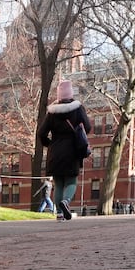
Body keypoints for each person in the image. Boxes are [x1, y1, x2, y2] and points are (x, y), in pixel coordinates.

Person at [37, 79, 90, 221]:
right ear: (71, 93)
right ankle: (66, 201)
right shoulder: (78, 108)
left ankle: (59, 213)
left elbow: (41, 133)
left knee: (59, 183)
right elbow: (88, 127)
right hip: (72, 150)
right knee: (71, 181)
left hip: (55, 151)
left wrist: (49, 144)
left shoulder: (52, 112)